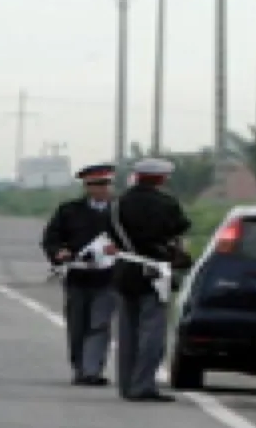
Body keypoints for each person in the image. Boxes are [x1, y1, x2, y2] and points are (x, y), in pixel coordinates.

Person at [105, 158, 191, 402]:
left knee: (127, 331)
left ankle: (126, 384)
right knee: (152, 333)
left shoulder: (117, 204)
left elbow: (111, 236)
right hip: (154, 271)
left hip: (125, 270)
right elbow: (179, 232)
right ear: (161, 179)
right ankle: (143, 385)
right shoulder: (167, 204)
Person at [41, 163, 117, 386]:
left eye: (105, 183)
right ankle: (80, 367)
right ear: (87, 186)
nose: (102, 189)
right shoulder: (69, 211)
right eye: (96, 184)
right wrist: (58, 252)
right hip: (77, 277)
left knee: (100, 324)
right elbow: (50, 238)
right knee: (77, 325)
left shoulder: (119, 211)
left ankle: (92, 370)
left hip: (108, 277)